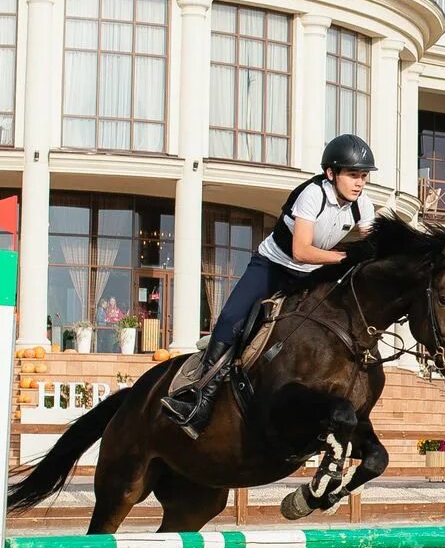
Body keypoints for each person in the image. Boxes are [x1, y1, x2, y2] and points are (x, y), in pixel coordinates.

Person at [161, 134, 377, 438]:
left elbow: (373, 247)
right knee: (231, 320)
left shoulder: (362, 205)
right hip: (272, 267)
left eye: (364, 176)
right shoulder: (312, 195)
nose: (359, 183)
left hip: (311, 274)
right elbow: (300, 250)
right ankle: (199, 399)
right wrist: (347, 256)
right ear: (331, 173)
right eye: (353, 175)